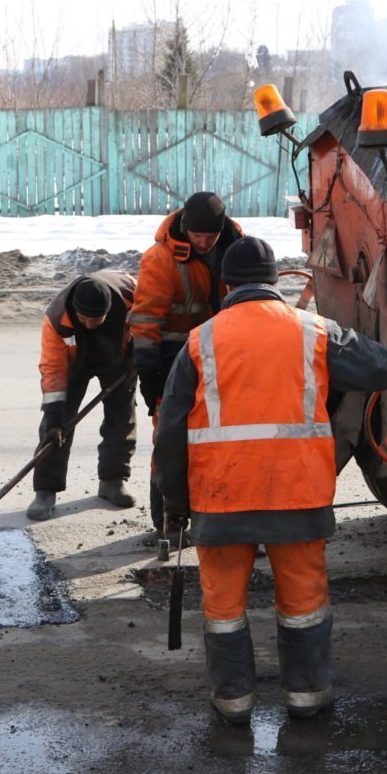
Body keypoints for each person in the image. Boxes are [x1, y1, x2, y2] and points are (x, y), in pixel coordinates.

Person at [153, 236, 387, 726]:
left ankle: (233, 705)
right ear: (275, 282)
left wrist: (173, 501)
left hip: (222, 500)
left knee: (225, 606)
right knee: (303, 601)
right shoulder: (315, 332)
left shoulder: (200, 341)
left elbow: (170, 430)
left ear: (228, 285)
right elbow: (379, 367)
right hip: (296, 495)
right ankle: (307, 698)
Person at [130, 191, 244, 536]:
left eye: (211, 236)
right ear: (185, 227)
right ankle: (167, 524)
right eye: (198, 236)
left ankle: (218, 515)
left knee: (223, 438)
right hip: (172, 362)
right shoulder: (160, 260)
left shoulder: (237, 247)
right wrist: (150, 377)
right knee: (170, 440)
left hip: (225, 359)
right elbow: (146, 323)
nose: (205, 243)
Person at [27, 271, 139, 521]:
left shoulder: (132, 295)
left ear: (109, 312)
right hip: (74, 363)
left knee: (122, 417)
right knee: (56, 425)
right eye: (84, 319)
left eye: (96, 319)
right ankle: (46, 489)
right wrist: (55, 419)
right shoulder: (57, 319)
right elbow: (53, 371)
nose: (89, 324)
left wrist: (138, 355)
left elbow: (150, 324)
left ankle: (113, 480)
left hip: (118, 358)